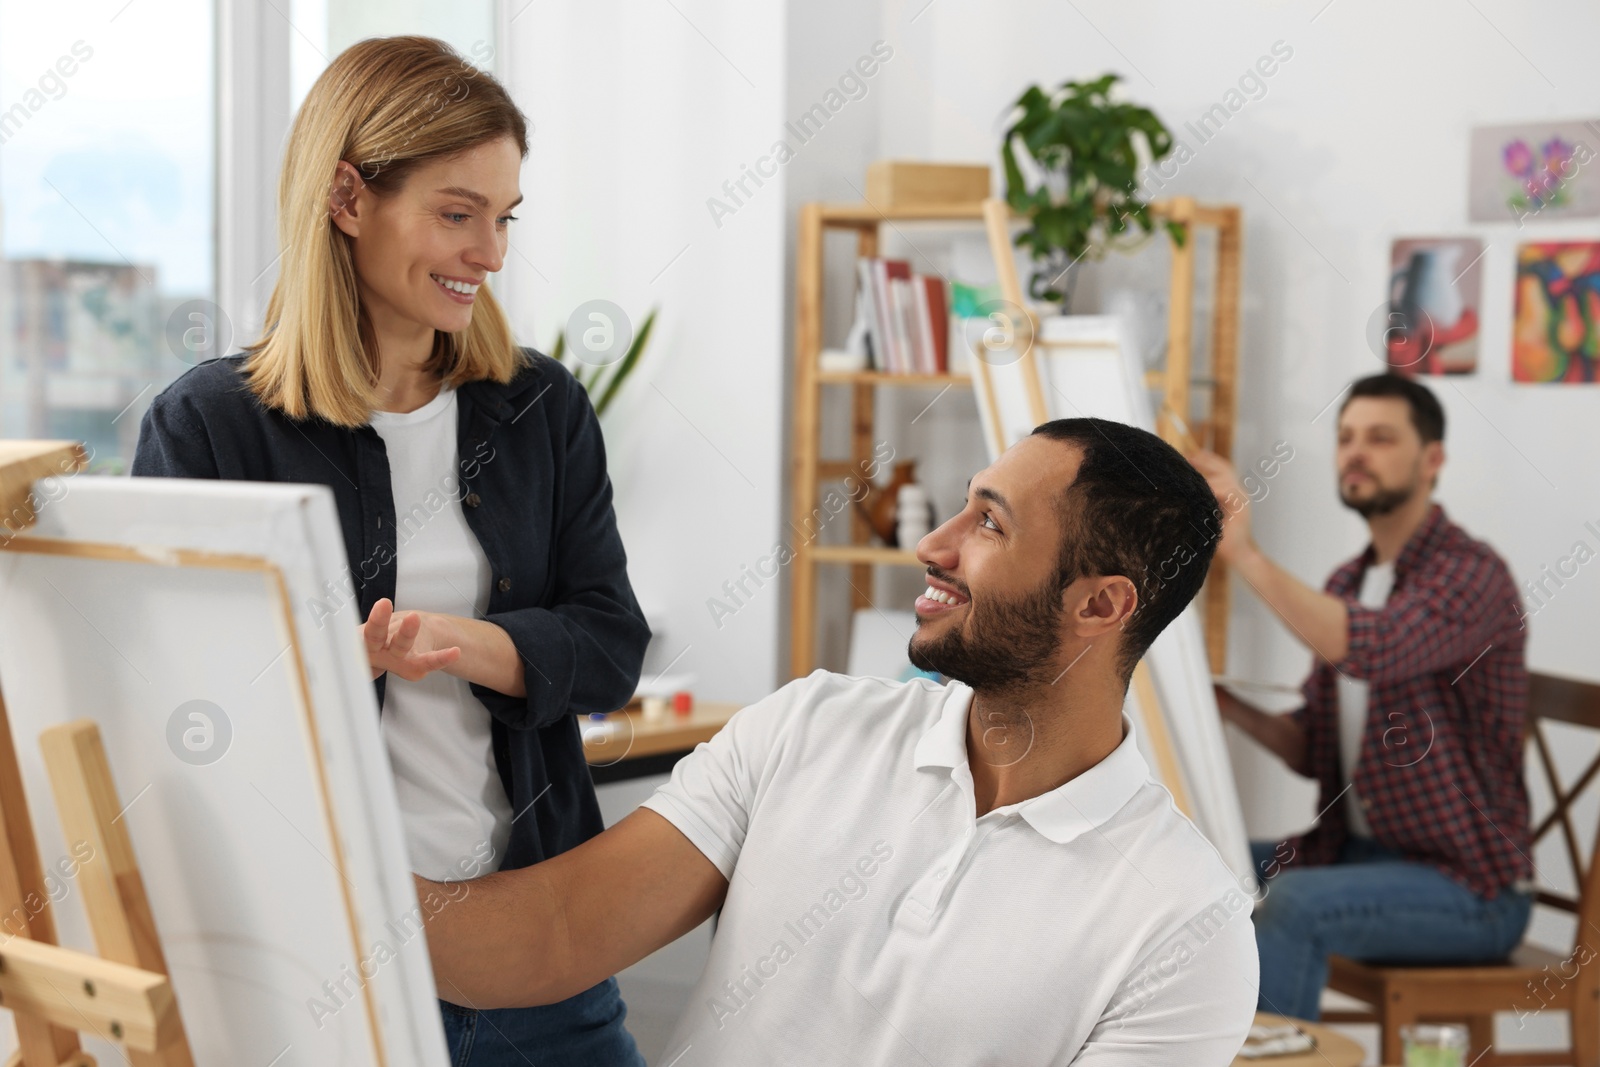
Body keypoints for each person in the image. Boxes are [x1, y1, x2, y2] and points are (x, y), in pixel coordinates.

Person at [416, 418, 1259, 1066]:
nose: (933, 544)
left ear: (1102, 605)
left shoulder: (1185, 922)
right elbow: (554, 932)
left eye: (989, 525)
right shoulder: (808, 726)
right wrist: (317, 872)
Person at [131, 36, 651, 1067]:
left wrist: (470, 642)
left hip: (532, 940)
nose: (492, 254)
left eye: (503, 219)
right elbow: (172, 713)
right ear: (347, 198)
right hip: (320, 956)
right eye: (457, 214)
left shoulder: (540, 407)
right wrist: (327, 663)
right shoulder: (208, 427)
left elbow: (610, 643)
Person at [1189, 373, 1532, 1022]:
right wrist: (1224, 707)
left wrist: (1245, 555)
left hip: (1470, 887)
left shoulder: (1471, 575)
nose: (1355, 453)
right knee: (1195, 861)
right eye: (1346, 437)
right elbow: (1314, 749)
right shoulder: (1347, 581)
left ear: (1433, 460)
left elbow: (1374, 650)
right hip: (1353, 855)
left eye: (1379, 438)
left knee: (1295, 904)